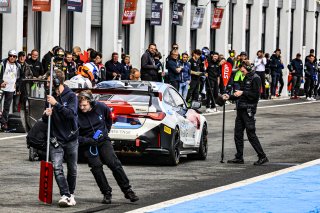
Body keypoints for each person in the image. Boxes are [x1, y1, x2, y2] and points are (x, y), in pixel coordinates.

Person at [77, 90, 139, 204]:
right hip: (88, 143)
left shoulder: (101, 107)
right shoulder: (76, 113)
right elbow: (75, 136)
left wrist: (105, 132)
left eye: (84, 105)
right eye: (80, 105)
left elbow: (108, 119)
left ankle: (127, 190)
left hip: (103, 140)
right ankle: (106, 193)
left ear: (90, 102)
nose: (82, 107)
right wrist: (88, 141)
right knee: (96, 167)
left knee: (114, 163)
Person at [42, 70, 78, 207]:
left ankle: (71, 193)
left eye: (49, 81)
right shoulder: (49, 97)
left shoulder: (71, 96)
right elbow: (45, 121)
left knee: (72, 168)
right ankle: (65, 194)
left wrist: (56, 104)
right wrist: (47, 114)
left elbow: (71, 114)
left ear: (57, 81)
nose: (47, 83)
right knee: (57, 167)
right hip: (56, 138)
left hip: (71, 138)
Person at [222, 60, 268, 166]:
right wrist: (229, 96)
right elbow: (240, 93)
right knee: (237, 134)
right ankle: (239, 157)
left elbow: (255, 95)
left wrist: (242, 92)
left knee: (251, 134)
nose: (241, 72)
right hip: (241, 109)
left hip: (249, 110)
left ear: (247, 68)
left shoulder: (256, 78)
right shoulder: (246, 77)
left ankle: (262, 156)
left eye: (242, 69)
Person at [0, 50, 21, 131]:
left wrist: (17, 85)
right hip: (1, 88)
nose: (12, 57)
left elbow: (20, 77)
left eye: (14, 56)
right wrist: (1, 82)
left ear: (16, 58)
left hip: (11, 89)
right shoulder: (2, 63)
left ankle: (3, 123)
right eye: (11, 56)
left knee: (7, 107)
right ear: (8, 56)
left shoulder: (18, 65)